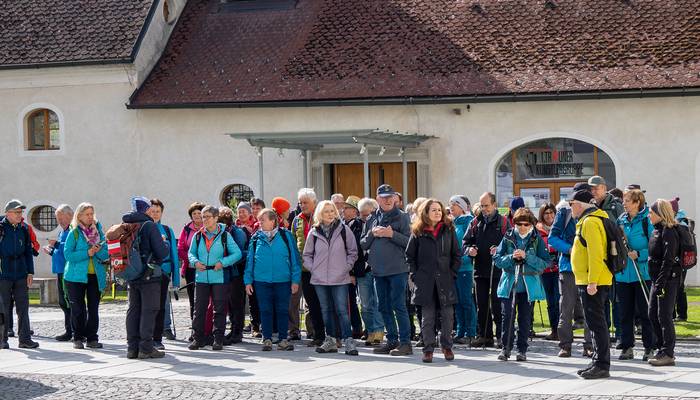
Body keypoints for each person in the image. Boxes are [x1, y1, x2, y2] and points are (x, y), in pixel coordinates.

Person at [361, 184, 413, 356]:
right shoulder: (371, 218)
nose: (388, 200)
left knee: (399, 306)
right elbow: (363, 243)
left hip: (398, 269)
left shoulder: (403, 217)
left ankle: (405, 343)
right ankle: (392, 340)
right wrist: (372, 234)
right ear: (377, 199)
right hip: (378, 271)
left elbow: (410, 243)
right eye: (384, 197)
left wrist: (392, 235)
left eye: (390, 196)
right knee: (383, 306)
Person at [406, 199, 461, 363]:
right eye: (434, 210)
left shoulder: (448, 229)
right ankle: (428, 349)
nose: (437, 213)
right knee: (427, 318)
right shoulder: (418, 232)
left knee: (447, 316)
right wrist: (416, 275)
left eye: (439, 210)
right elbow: (410, 257)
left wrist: (451, 273)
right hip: (425, 281)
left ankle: (447, 346)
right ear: (426, 213)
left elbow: (456, 255)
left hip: (445, 280)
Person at [303, 200, 359, 355]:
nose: (329, 214)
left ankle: (348, 341)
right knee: (326, 310)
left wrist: (346, 267)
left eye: (332, 211)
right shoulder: (313, 232)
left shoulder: (344, 230)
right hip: (319, 279)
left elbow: (353, 252)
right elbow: (307, 255)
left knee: (341, 310)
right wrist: (313, 269)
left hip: (340, 278)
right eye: (326, 211)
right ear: (320, 214)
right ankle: (331, 340)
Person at [494, 208, 548, 362]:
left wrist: (527, 257)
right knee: (507, 317)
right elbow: (497, 259)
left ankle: (522, 350)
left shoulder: (537, 238)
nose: (522, 227)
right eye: (519, 223)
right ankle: (505, 349)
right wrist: (512, 257)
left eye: (526, 224)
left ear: (531, 224)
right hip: (509, 285)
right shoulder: (508, 236)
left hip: (528, 287)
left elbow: (545, 263)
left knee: (525, 319)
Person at [245, 209, 301, 351]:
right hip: (261, 280)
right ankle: (267, 339)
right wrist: (248, 281)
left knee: (283, 310)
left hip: (283, 280)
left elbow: (295, 259)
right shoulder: (255, 238)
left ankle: (283, 339)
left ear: (273, 221)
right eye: (259, 220)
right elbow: (250, 260)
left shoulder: (286, 236)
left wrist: (295, 280)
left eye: (262, 220)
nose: (259, 223)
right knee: (265, 310)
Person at [122, 197, 171, 359]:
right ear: (146, 209)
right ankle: (146, 348)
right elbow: (162, 253)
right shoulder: (149, 225)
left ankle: (132, 348)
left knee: (133, 309)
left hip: (132, 273)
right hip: (149, 274)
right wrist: (165, 243)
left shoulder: (127, 224)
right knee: (149, 310)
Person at [570, 189, 612, 379]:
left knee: (597, 324)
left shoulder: (590, 222)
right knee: (595, 323)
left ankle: (602, 365)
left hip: (593, 281)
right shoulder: (590, 220)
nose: (571, 207)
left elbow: (596, 254)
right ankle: (597, 361)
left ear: (580, 205)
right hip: (589, 279)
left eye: (572, 204)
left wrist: (593, 281)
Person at [187, 205, 242, 351]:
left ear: (216, 218)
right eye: (203, 217)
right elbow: (190, 253)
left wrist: (223, 263)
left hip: (219, 277)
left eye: (207, 217)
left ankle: (218, 339)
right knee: (199, 310)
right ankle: (197, 339)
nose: (203, 220)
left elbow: (237, 253)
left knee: (219, 309)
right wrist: (195, 262)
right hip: (201, 277)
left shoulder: (225, 235)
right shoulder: (198, 235)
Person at [463, 192, 510, 348]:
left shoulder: (504, 222)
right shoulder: (475, 222)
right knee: (481, 304)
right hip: (480, 269)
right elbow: (466, 242)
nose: (484, 209)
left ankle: (501, 337)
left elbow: (511, 243)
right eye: (482, 206)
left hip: (499, 270)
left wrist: (500, 250)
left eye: (487, 206)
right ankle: (484, 335)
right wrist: (470, 249)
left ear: (494, 205)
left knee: (498, 305)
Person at [549, 183, 592, 358]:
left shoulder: (593, 214)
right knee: (566, 308)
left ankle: (589, 344)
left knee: (590, 308)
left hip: (590, 266)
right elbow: (553, 237)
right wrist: (571, 249)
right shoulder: (564, 213)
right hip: (568, 266)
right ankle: (565, 345)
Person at [63, 202, 108, 350]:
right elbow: (68, 254)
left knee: (93, 308)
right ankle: (77, 337)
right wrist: (87, 253)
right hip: (75, 277)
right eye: (87, 214)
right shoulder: (74, 232)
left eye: (91, 214)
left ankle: (92, 338)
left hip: (95, 275)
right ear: (79, 215)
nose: (90, 217)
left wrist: (98, 250)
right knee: (78, 309)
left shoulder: (99, 231)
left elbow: (106, 253)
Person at [616, 189, 654, 361]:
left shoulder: (647, 221)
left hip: (643, 273)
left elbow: (655, 246)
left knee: (646, 312)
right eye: (624, 200)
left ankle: (649, 347)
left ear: (637, 202)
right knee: (625, 313)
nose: (624, 203)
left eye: (627, 200)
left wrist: (640, 254)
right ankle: (627, 346)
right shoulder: (621, 220)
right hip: (624, 274)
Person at [647, 199, 682, 367]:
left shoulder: (668, 231)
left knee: (664, 316)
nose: (649, 215)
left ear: (660, 214)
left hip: (667, 280)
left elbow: (668, 260)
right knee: (652, 314)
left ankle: (668, 352)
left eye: (651, 213)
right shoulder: (656, 230)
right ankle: (662, 348)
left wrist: (661, 283)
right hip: (657, 280)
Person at [589, 175, 623, 342]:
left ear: (604, 187)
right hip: (597, 257)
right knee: (601, 299)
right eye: (592, 188)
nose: (594, 191)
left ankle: (619, 333)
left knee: (616, 298)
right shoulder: (590, 205)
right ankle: (604, 335)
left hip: (613, 255)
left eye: (596, 188)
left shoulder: (616, 206)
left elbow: (621, 228)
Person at [0, 200, 38, 349]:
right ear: (7, 213)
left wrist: (30, 272)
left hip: (21, 273)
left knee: (23, 307)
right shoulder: (1, 228)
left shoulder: (23, 228)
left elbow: (28, 252)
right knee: (3, 308)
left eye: (20, 212)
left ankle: (25, 339)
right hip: (3, 274)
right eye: (16, 212)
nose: (19, 215)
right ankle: (2, 339)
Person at [290, 188, 325, 345]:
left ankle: (321, 334)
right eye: (300, 202)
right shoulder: (297, 219)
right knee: (306, 301)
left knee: (320, 303)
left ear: (314, 203)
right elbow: (292, 241)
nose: (302, 205)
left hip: (320, 268)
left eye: (306, 202)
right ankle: (308, 333)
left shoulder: (321, 218)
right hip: (302, 268)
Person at [146, 199, 180, 350]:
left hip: (163, 271)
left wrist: (176, 279)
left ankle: (163, 331)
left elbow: (174, 254)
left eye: (158, 211)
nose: (155, 214)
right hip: (146, 272)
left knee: (162, 305)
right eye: (152, 211)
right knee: (148, 305)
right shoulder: (143, 228)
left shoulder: (166, 230)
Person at [217, 206, 249, 345]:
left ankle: (237, 332)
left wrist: (226, 260)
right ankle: (233, 330)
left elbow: (240, 254)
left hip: (236, 273)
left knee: (237, 303)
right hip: (226, 272)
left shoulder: (237, 232)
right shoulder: (222, 232)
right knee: (230, 303)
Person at [43, 204, 74, 342]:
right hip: (61, 270)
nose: (59, 221)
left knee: (68, 302)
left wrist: (55, 245)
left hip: (67, 271)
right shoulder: (63, 231)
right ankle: (70, 329)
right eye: (58, 218)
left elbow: (68, 248)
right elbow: (61, 251)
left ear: (70, 216)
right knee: (64, 302)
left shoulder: (72, 230)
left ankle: (73, 330)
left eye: (61, 217)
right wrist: (51, 250)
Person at [355, 197, 384, 345]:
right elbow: (359, 245)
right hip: (362, 269)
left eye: (367, 214)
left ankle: (379, 330)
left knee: (378, 301)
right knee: (365, 303)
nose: (365, 217)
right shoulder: (357, 225)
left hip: (378, 267)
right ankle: (370, 330)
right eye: (362, 214)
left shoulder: (382, 222)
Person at [449, 195, 476, 345]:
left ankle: (470, 332)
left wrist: (464, 260)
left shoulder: (469, 222)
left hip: (465, 267)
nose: (451, 207)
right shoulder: (452, 223)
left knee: (466, 300)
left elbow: (469, 245)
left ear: (462, 206)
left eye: (455, 204)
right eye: (450, 204)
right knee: (457, 301)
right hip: (454, 268)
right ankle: (460, 331)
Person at [341, 195, 366, 340]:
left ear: (355, 211)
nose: (344, 210)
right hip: (346, 268)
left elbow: (354, 248)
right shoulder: (343, 223)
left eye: (348, 208)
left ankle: (357, 327)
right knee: (348, 299)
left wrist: (351, 272)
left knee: (353, 300)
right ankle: (354, 326)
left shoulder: (357, 225)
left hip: (355, 269)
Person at [178, 202, 205, 326]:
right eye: (194, 213)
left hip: (206, 268)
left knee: (205, 298)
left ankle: (206, 324)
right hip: (191, 268)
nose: (197, 215)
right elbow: (180, 248)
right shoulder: (187, 229)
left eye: (199, 213)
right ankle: (195, 324)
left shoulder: (209, 227)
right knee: (192, 298)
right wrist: (192, 260)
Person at [537, 203, 560, 341]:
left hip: (558, 270)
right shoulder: (537, 230)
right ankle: (554, 330)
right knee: (550, 302)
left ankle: (561, 329)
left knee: (559, 300)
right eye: (546, 213)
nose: (549, 216)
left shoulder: (559, 228)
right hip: (545, 270)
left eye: (552, 213)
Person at [669, 197, 688, 322]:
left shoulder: (680, 224)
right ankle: (678, 314)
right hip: (681, 260)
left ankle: (678, 314)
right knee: (678, 287)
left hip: (678, 260)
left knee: (677, 287)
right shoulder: (683, 222)